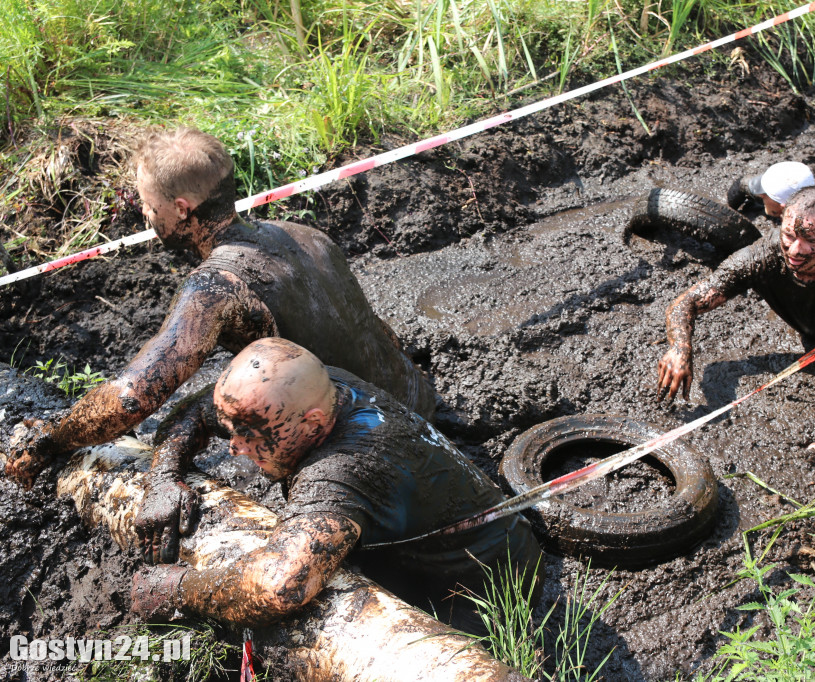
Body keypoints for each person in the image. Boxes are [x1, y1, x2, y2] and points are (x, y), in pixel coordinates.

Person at [6, 127, 435, 490]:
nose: (145, 214)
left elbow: (132, 398)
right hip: (419, 405)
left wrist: (49, 440)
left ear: (181, 209)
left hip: (368, 452)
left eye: (148, 205)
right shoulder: (303, 233)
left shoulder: (216, 288)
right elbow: (375, 329)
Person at [130, 338, 542, 631]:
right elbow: (197, 411)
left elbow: (279, 586)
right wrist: (164, 477)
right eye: (232, 432)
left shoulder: (344, 468)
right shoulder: (316, 387)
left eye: (251, 437)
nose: (234, 448)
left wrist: (178, 589)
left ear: (313, 422)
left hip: (487, 595)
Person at [656, 186, 815, 470]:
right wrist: (680, 349)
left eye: (812, 240)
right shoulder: (762, 255)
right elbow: (687, 301)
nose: (796, 251)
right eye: (789, 235)